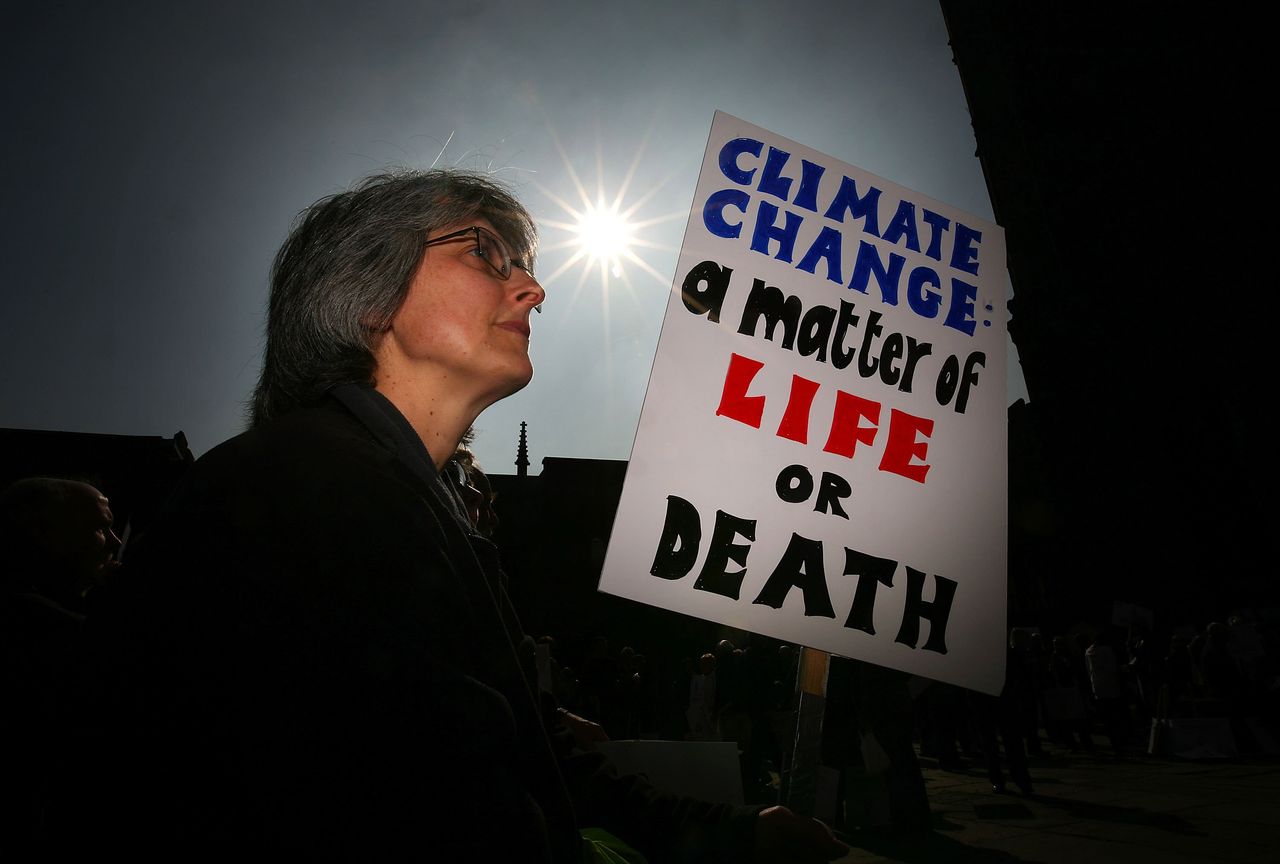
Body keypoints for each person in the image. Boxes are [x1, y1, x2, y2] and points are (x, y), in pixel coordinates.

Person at [72, 170, 846, 862]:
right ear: (368, 295)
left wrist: (732, 833)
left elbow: (532, 760)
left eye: (528, 267)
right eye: (484, 252)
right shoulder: (298, 495)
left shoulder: (420, 509)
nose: (532, 289)